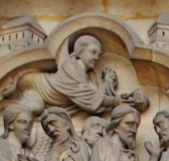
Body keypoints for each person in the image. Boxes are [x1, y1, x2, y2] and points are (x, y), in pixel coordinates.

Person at [12, 35, 149, 117]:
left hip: (52, 99)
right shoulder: (69, 66)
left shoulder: (89, 76)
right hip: (35, 85)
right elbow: (86, 94)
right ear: (80, 51)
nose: (96, 57)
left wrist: (108, 83)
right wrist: (113, 101)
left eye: (98, 54)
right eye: (93, 52)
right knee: (36, 108)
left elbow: (93, 101)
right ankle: (4, 106)